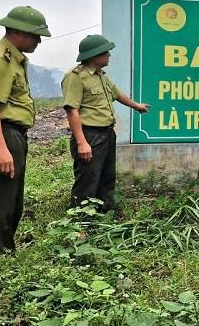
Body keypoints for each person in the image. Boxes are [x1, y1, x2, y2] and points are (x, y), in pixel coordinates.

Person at [0, 6, 50, 256]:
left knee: (11, 198)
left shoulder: (13, 59)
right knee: (1, 199)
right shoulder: (0, 59)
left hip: (10, 133)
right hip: (2, 133)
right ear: (17, 32)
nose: (38, 41)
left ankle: (4, 248)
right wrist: (1, 148)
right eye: (35, 35)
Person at [61, 34, 149, 210]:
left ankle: (104, 215)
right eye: (105, 52)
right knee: (88, 180)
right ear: (94, 55)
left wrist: (136, 106)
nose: (109, 55)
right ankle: (81, 219)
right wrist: (82, 143)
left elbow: (117, 94)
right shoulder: (76, 76)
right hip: (89, 135)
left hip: (107, 133)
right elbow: (72, 110)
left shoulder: (101, 76)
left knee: (107, 178)